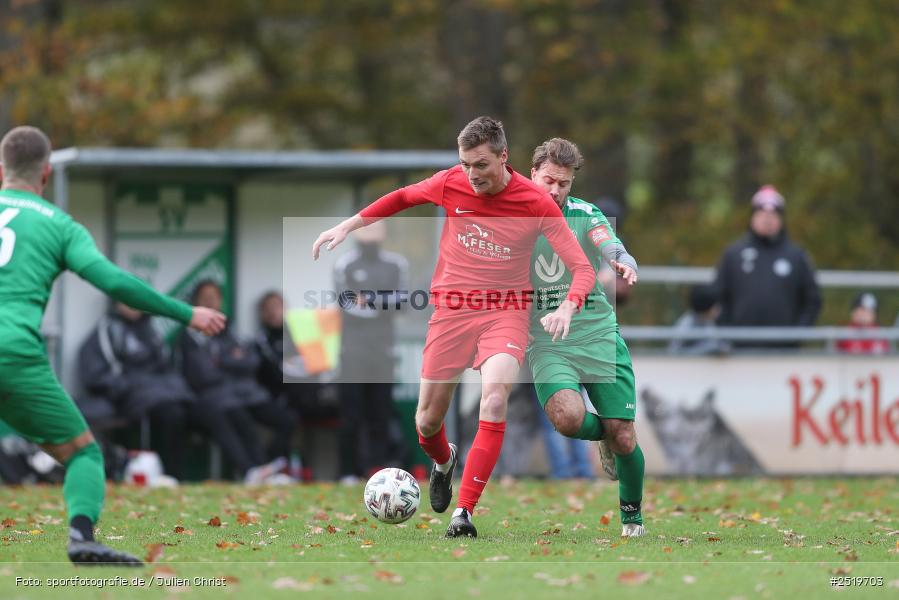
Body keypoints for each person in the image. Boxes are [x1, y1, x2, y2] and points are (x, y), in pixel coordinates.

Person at [312, 116, 595, 537]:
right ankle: (444, 462)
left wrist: (569, 307)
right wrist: (348, 225)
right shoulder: (451, 182)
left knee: (494, 399)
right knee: (426, 423)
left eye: (480, 165)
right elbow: (402, 197)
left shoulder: (535, 203)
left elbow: (582, 269)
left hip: (506, 312)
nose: (471, 174)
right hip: (452, 312)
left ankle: (464, 513)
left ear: (503, 157)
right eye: (465, 163)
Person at [0, 126, 225, 565]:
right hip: (13, 354)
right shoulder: (59, 226)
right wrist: (187, 314)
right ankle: (81, 538)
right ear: (46, 174)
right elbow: (118, 283)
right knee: (82, 453)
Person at [526, 137, 646, 537]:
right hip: (548, 340)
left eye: (563, 183)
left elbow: (606, 241)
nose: (555, 190)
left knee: (625, 435)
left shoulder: (584, 214)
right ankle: (604, 437)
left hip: (596, 333)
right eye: (548, 181)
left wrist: (622, 258)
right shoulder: (512, 218)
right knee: (567, 418)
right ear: (533, 174)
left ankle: (632, 519)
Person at [179, 280, 296, 480]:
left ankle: (267, 468)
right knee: (237, 416)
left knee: (287, 419)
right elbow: (202, 374)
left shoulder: (230, 330)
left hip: (244, 394)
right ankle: (253, 470)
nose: (209, 302)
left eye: (213, 297)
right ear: (195, 302)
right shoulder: (190, 335)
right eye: (204, 298)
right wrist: (232, 361)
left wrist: (223, 362)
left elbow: (251, 362)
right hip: (211, 399)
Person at [78, 303, 196, 479]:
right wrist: (127, 388)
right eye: (125, 300)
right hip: (126, 400)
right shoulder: (107, 332)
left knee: (184, 411)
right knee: (170, 414)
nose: (132, 305)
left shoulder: (152, 331)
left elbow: (167, 367)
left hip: (160, 395)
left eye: (134, 299)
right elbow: (96, 375)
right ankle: (166, 475)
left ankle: (173, 476)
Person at [333, 221, 409, 482]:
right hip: (352, 351)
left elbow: (403, 301)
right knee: (351, 414)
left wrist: (370, 299)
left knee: (381, 412)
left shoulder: (395, 264)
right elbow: (346, 303)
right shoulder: (346, 264)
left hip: (383, 351)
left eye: (377, 227)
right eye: (367, 228)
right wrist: (381, 303)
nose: (372, 233)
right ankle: (347, 472)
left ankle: (377, 472)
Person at [713, 185, 821, 348]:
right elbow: (717, 297)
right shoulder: (733, 254)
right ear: (753, 217)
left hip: (783, 352)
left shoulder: (796, 256)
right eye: (762, 214)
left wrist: (797, 335)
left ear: (781, 219)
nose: (767, 219)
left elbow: (812, 300)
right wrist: (728, 335)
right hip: (740, 352)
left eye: (773, 214)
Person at [668, 284, 731, 355]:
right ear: (706, 307)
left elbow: (716, 343)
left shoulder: (708, 322)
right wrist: (710, 349)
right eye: (716, 306)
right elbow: (674, 352)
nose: (719, 309)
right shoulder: (686, 325)